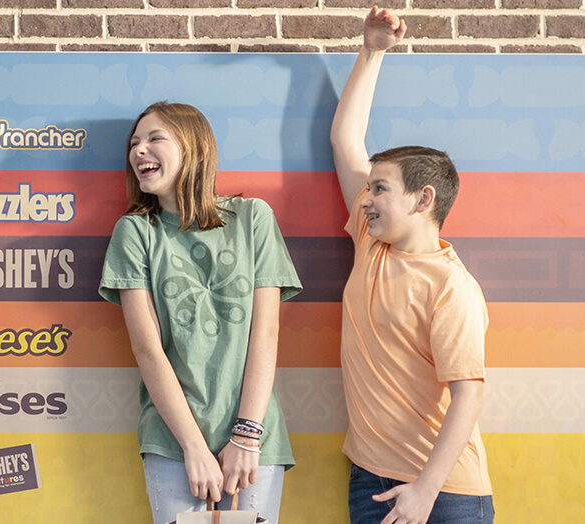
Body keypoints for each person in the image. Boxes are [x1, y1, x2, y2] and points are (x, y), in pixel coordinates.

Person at [99, 102, 302, 524]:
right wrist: (193, 446)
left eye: (155, 138)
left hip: (255, 438)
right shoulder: (135, 231)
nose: (139, 150)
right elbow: (148, 350)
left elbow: (265, 335)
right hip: (173, 442)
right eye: (134, 143)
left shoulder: (252, 219)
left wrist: (246, 436)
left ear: (195, 149)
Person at [330, 8, 495, 524]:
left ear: (423, 199)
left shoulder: (452, 288)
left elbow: (468, 393)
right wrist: (373, 50)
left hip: (443, 493)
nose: (365, 199)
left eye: (380, 188)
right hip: (371, 479)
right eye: (369, 187)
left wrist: (426, 489)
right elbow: (345, 140)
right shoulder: (370, 243)